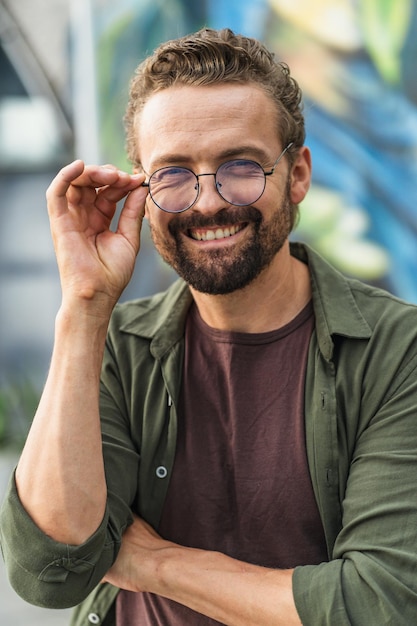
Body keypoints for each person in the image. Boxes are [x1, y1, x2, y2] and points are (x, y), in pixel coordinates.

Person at [1, 27, 417, 626]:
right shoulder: (116, 347)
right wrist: (85, 306)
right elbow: (49, 568)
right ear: (141, 189)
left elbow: (380, 603)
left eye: (240, 166)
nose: (206, 202)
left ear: (297, 175)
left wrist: (153, 563)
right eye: (173, 174)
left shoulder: (395, 351)